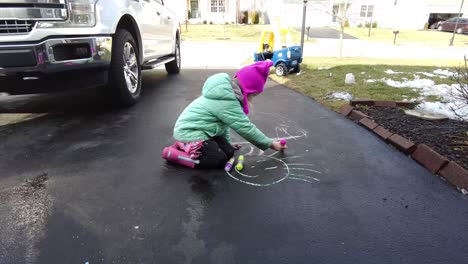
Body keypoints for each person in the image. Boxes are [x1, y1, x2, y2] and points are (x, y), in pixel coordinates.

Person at [162, 61, 287, 169]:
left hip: (203, 131)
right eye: (253, 95)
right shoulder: (227, 100)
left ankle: (187, 146)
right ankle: (175, 153)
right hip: (190, 133)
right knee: (218, 160)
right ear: (248, 90)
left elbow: (223, 124)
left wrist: (228, 144)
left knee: (229, 152)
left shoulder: (227, 94)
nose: (252, 99)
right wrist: (270, 143)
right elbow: (245, 127)